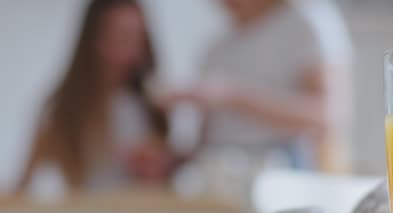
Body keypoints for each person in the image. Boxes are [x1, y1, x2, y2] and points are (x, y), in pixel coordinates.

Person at [169, 0, 353, 171]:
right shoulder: (217, 47)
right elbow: (204, 135)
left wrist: (233, 96)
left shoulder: (306, 22)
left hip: (285, 163)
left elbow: (326, 114)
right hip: (218, 165)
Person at [17, 0, 174, 193]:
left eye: (139, 39)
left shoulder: (151, 105)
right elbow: (25, 183)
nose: (132, 51)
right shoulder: (63, 110)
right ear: (95, 39)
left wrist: (159, 165)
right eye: (123, 37)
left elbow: (165, 182)